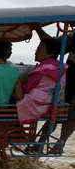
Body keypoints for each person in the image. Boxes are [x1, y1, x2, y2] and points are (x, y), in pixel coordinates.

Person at [32, 24, 75, 153]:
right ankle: (43, 144)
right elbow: (54, 45)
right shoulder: (73, 37)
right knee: (58, 111)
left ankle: (57, 144)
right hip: (69, 79)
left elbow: (53, 46)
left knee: (67, 113)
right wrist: (38, 28)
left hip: (70, 79)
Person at [17, 39, 67, 125]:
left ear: (50, 53)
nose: (36, 52)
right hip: (55, 106)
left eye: (39, 49)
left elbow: (25, 90)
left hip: (37, 107)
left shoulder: (41, 70)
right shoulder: (60, 68)